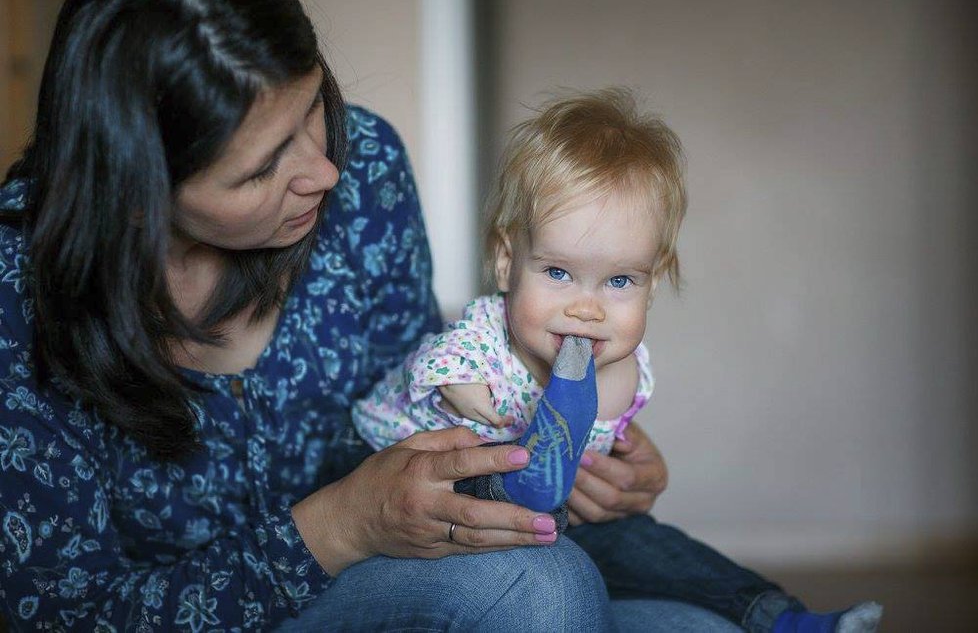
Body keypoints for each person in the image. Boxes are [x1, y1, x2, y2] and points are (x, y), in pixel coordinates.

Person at [0, 0, 740, 631]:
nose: (324, 172)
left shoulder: (366, 169)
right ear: (133, 190)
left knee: (701, 627)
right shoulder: (18, 290)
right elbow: (65, 614)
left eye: (312, 108)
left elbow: (427, 395)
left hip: (389, 581)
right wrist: (340, 526)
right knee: (540, 587)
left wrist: (590, 459)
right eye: (262, 168)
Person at [353, 89, 884, 632]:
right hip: (429, 493)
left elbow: (599, 427)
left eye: (620, 281)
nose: (586, 309)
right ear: (507, 261)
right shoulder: (488, 327)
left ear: (652, 285)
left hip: (565, 517)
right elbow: (435, 362)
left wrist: (589, 392)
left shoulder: (623, 366)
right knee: (513, 522)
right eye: (558, 273)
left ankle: (784, 619)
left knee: (656, 548)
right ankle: (528, 495)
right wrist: (461, 388)